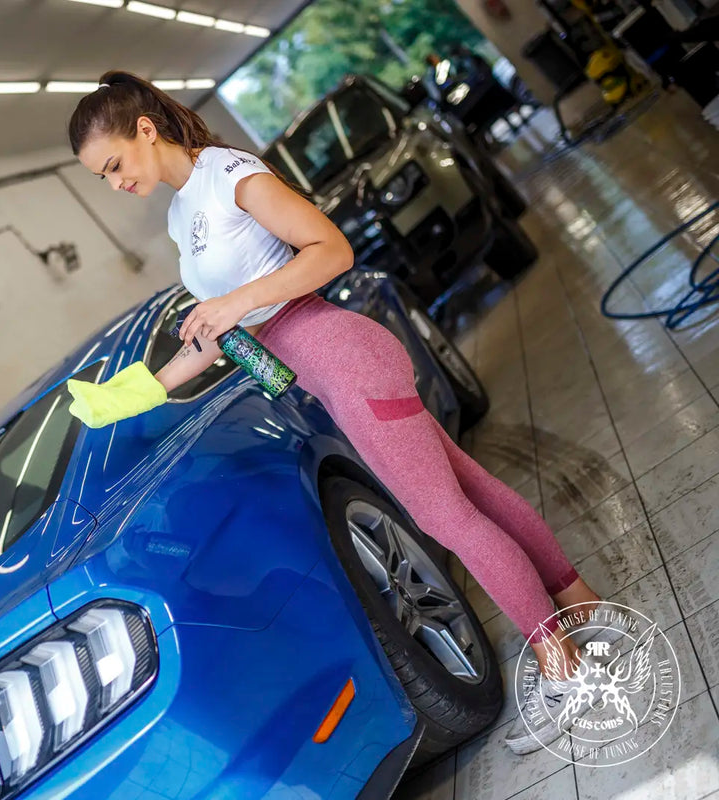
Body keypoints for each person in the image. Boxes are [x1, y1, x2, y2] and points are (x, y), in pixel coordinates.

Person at [64, 70, 623, 755]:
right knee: (470, 490)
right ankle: (579, 597)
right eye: (102, 177)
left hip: (344, 356)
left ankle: (563, 665)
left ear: (145, 130)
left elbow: (331, 249)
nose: (115, 182)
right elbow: (228, 330)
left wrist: (236, 302)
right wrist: (141, 389)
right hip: (326, 372)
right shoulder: (183, 215)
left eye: (114, 164)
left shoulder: (229, 175)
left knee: (445, 517)